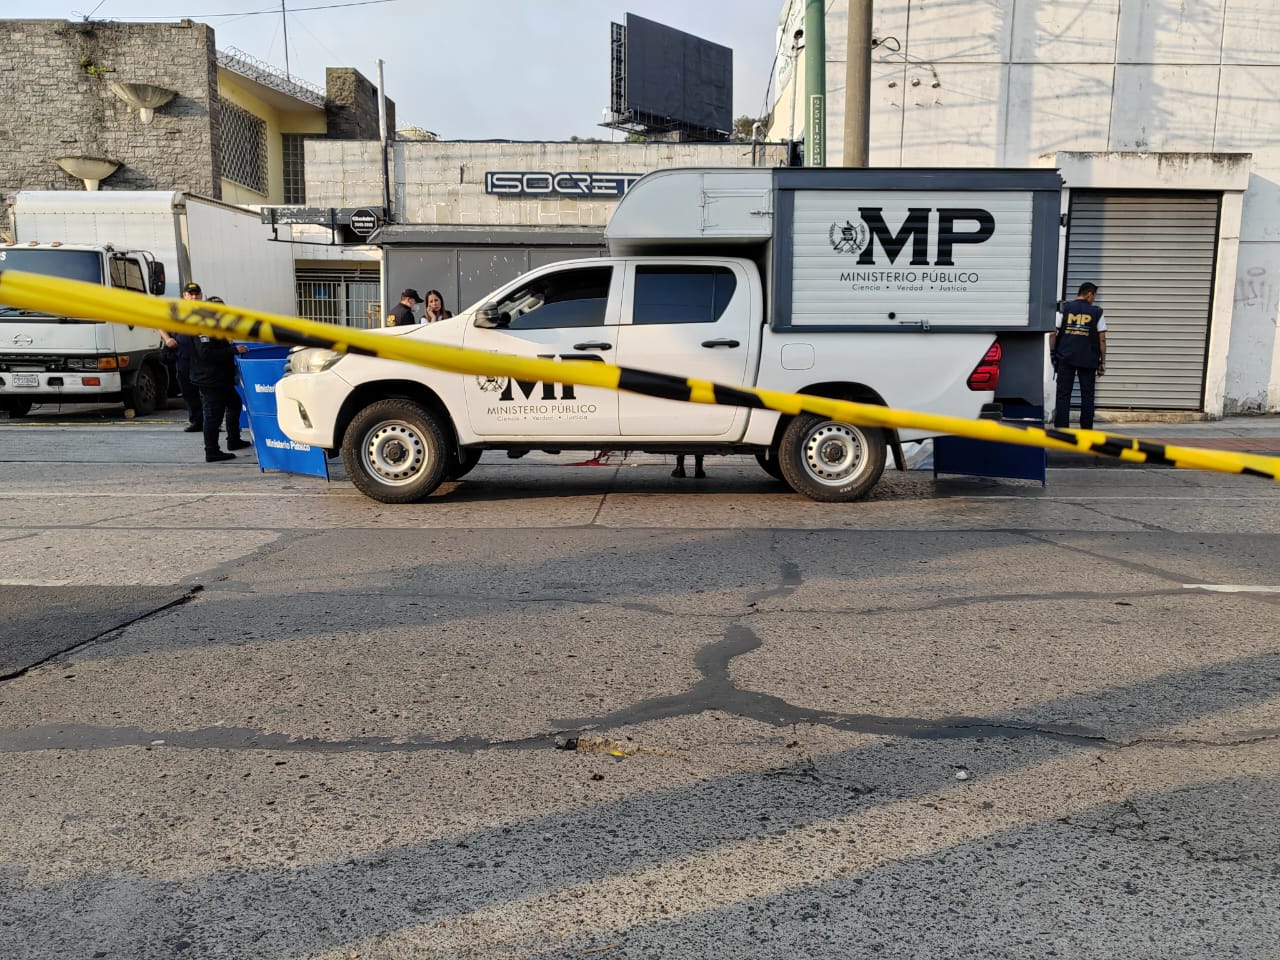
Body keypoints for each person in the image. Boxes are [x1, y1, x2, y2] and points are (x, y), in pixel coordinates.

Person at [190, 295, 250, 462]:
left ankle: (233, 440)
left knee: (234, 403)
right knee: (213, 414)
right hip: (210, 379)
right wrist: (234, 350)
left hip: (220, 378)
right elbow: (206, 353)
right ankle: (212, 451)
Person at [1051, 281, 1107, 431]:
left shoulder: (1064, 309)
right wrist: (1103, 362)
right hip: (1088, 360)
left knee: (1063, 394)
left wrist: (1053, 353)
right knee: (1087, 395)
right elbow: (1102, 338)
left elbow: (1052, 333)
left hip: (1065, 357)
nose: (1094, 299)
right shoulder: (1097, 312)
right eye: (1094, 296)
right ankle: (1086, 429)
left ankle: (1062, 429)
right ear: (1089, 294)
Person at [162, 281, 205, 432]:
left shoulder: (207, 310)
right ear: (184, 295)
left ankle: (212, 422)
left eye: (196, 294)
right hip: (184, 356)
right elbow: (160, 324)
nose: (194, 297)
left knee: (207, 391)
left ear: (200, 295)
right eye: (190, 294)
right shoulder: (176, 310)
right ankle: (197, 421)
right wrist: (167, 339)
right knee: (188, 390)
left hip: (204, 357)